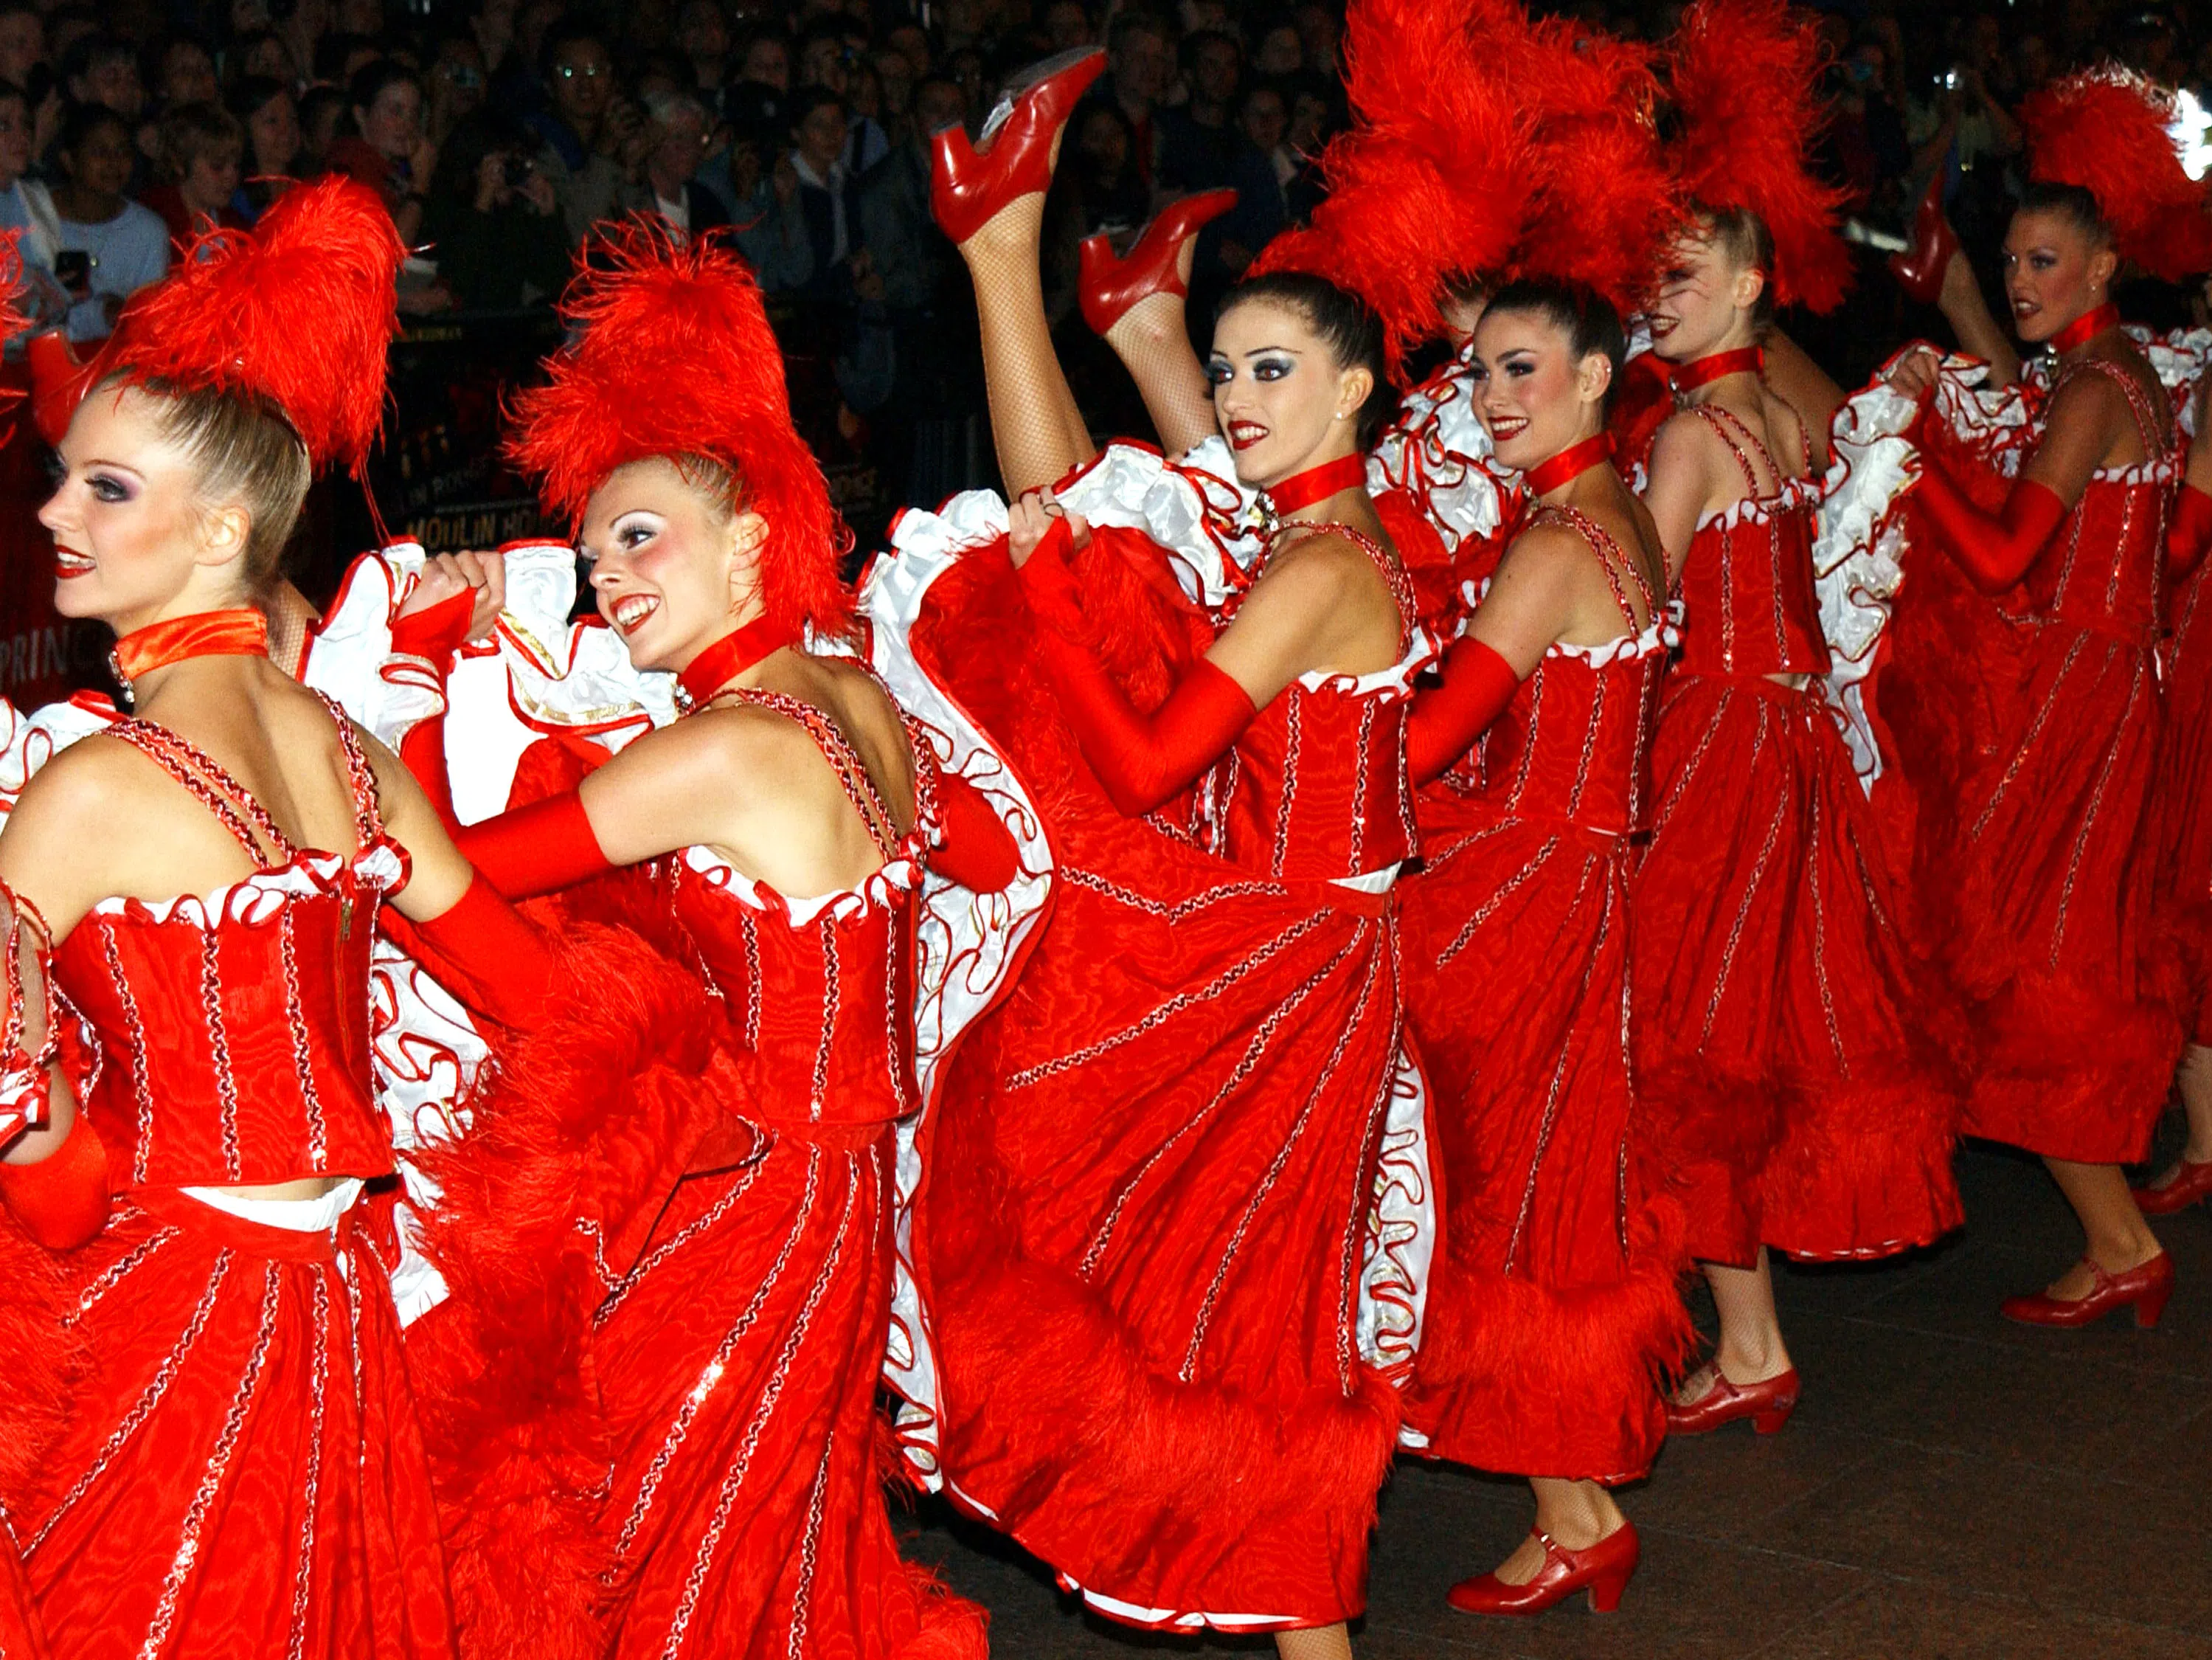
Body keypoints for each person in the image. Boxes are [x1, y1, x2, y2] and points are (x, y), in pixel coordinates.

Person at [371, 224, 997, 1660]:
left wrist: (409, 673)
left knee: (668, 1529)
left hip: (749, 1200)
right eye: (595, 555)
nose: (610, 579)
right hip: (832, 1195)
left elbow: (446, 872)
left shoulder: (724, 751)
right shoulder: (848, 696)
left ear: (754, 537)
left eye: (640, 536)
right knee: (754, 1516)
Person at [906, 48, 1433, 1660]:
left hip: (1279, 960)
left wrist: (1046, 609)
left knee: (1245, 1316)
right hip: (1279, 943)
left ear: (1354, 392)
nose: (1241, 402)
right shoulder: (1319, 537)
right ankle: (1019, 262)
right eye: (1225, 368)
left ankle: (1002, 252)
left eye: (1270, 372)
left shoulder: (1322, 566)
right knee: (1226, 1306)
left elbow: (1142, 769)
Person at [0, 174, 485, 1660]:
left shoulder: (88, 791)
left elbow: (51, 1178)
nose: (48, 511)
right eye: (61, 475)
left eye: (105, 487)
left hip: (176, 1324)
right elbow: (543, 999)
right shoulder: (353, 753)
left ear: (222, 535)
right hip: (339, 1313)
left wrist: (62, 1125)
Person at [1632, 0, 1962, 1438]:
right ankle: (1741, 1333)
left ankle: (1749, 1342)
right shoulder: (1760, 405)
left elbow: (1624, 599)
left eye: (1682, 266)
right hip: (1782, 748)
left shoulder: (1681, 430)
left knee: (1687, 1041)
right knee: (1737, 1037)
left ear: (1751, 276)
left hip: (1714, 746)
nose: (1655, 286)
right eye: (1646, 264)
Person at [1879, 66, 2205, 1325]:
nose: (2019, 281)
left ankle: (2119, 1239)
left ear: (2104, 263)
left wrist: (1902, 462)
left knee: (2032, 965)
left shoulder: (2090, 388)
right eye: (2010, 258)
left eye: (2040, 261)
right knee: (2036, 954)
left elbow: (2009, 552)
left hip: (2073, 698)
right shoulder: (2117, 373)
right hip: (2086, 687)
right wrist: (1953, 299)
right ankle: (2115, 1233)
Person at [50, 103, 168, 342]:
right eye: (100, 153)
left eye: (123, 151)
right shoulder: (36, 218)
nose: (114, 162)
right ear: (70, 161)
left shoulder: (148, 232)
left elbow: (147, 326)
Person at [527, 23, 627, 244]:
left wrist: (634, 173)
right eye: (569, 72)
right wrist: (604, 155)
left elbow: (648, 237)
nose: (585, 85)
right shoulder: (534, 146)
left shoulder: (624, 134)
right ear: (549, 84)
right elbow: (575, 235)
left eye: (595, 70)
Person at [325, 60, 437, 242]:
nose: (407, 125)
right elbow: (387, 253)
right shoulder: (348, 169)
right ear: (361, 115)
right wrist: (420, 187)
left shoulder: (397, 168)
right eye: (396, 112)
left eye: (414, 114)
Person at [142, 100, 246, 246]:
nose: (231, 176)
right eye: (217, 166)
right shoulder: (151, 224)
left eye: (236, 166)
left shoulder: (238, 229)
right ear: (179, 163)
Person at [227, 77, 302, 224]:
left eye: (292, 118)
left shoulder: (311, 186)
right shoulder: (234, 200)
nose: (287, 130)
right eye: (272, 121)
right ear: (245, 129)